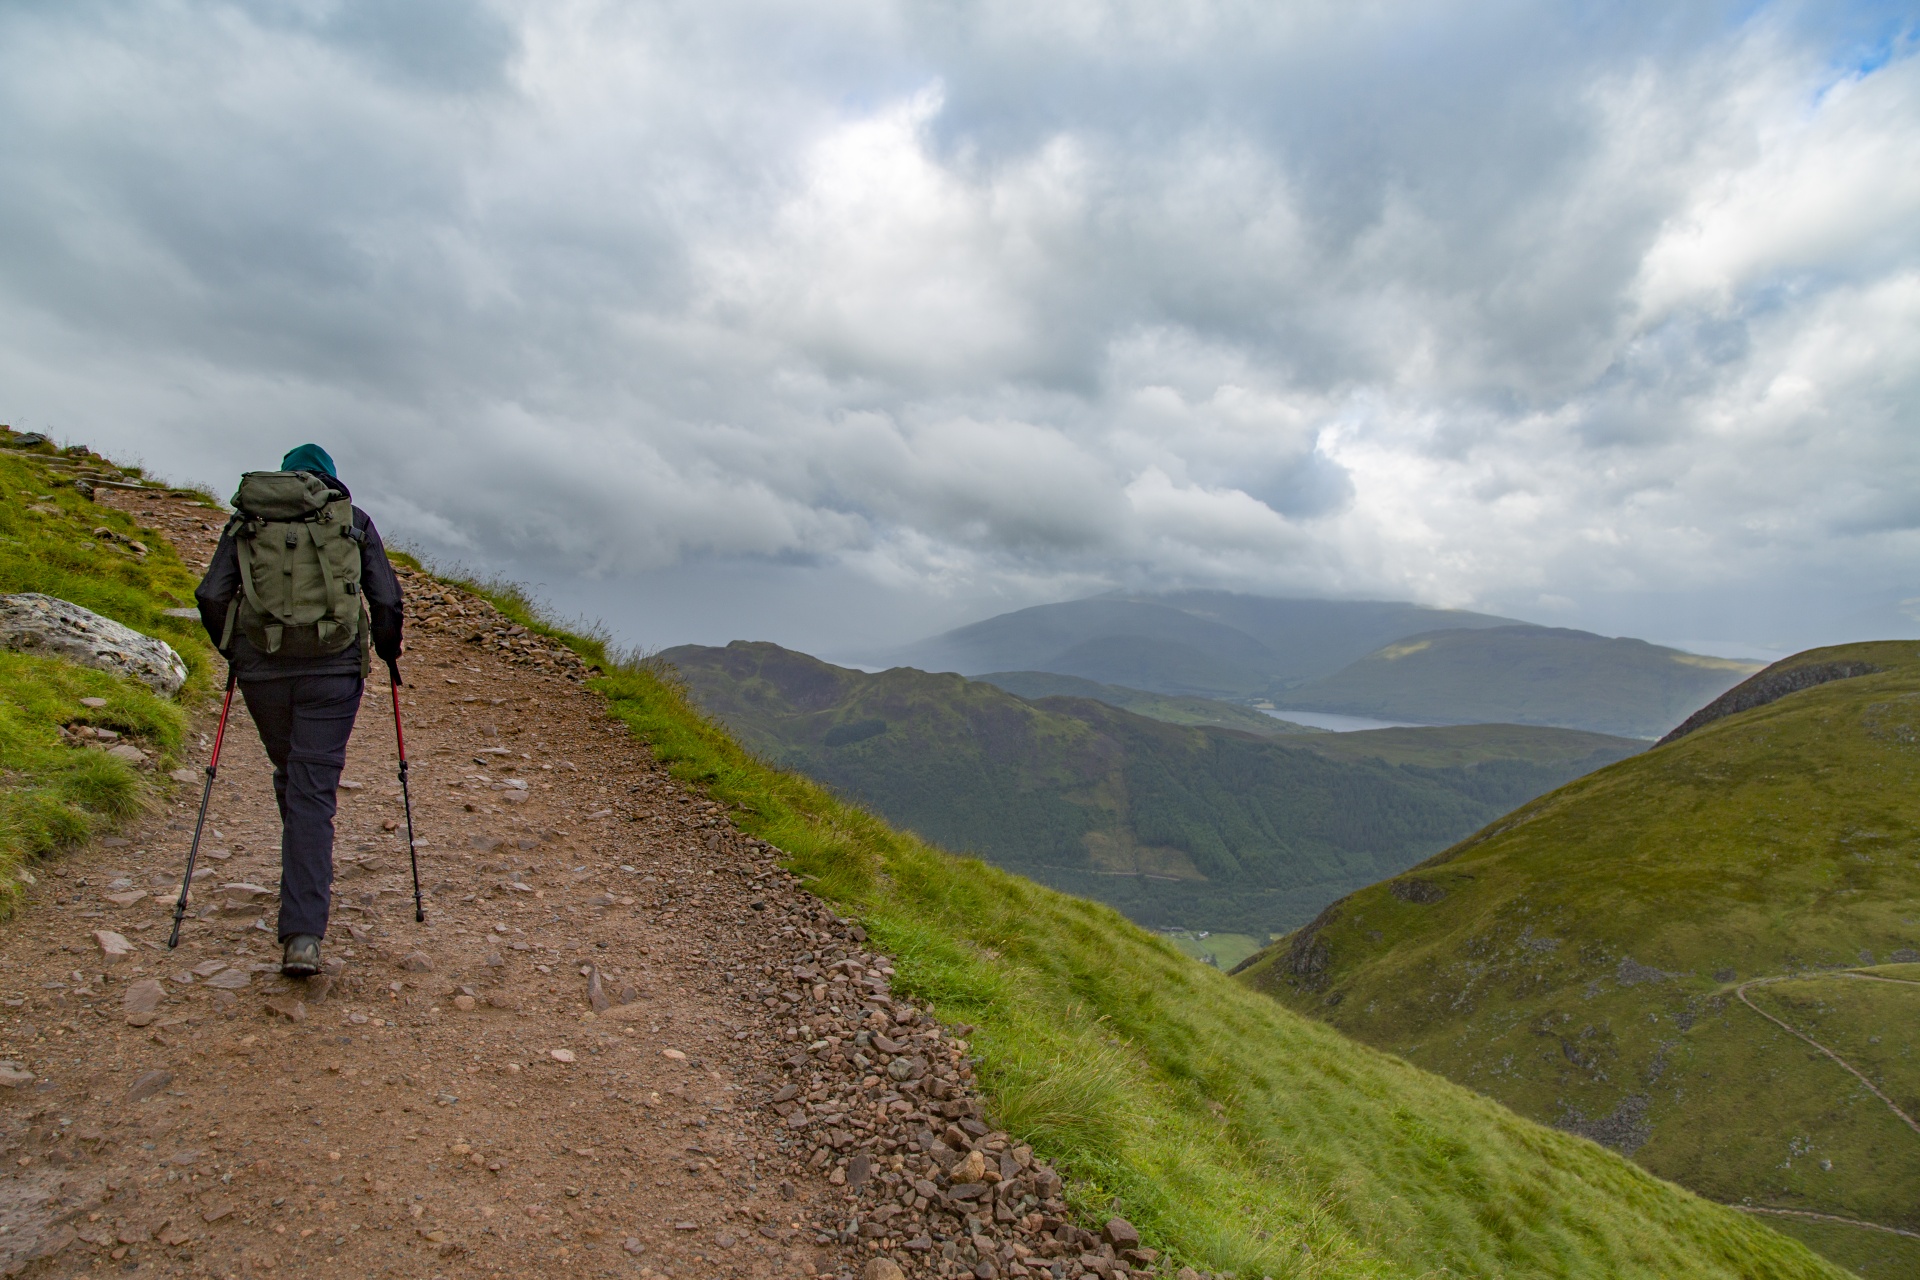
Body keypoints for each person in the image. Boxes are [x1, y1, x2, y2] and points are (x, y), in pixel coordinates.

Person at [194, 443, 404, 977]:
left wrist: (237, 651)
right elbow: (386, 600)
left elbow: (212, 594)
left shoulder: (247, 520)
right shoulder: (353, 521)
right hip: (332, 672)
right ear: (330, 480)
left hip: (262, 670)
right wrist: (387, 650)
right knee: (310, 787)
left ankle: (301, 880)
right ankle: (304, 932)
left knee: (292, 773)